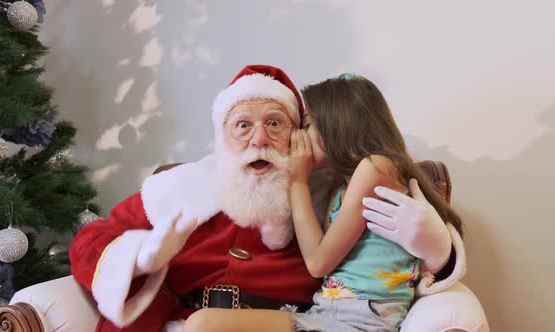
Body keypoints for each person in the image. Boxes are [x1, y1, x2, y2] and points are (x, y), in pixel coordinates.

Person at [69, 65, 465, 332]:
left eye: (275, 123)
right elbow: (93, 239)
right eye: (242, 125)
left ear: (297, 133)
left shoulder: (327, 190)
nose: (258, 139)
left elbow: (392, 251)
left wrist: (441, 249)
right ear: (222, 134)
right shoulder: (179, 186)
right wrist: (141, 256)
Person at [183, 74, 465, 332]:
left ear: (335, 126)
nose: (299, 137)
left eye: (306, 125)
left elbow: (317, 263)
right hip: (325, 312)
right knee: (201, 322)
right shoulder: (343, 185)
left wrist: (297, 180)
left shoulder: (376, 167)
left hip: (361, 321)